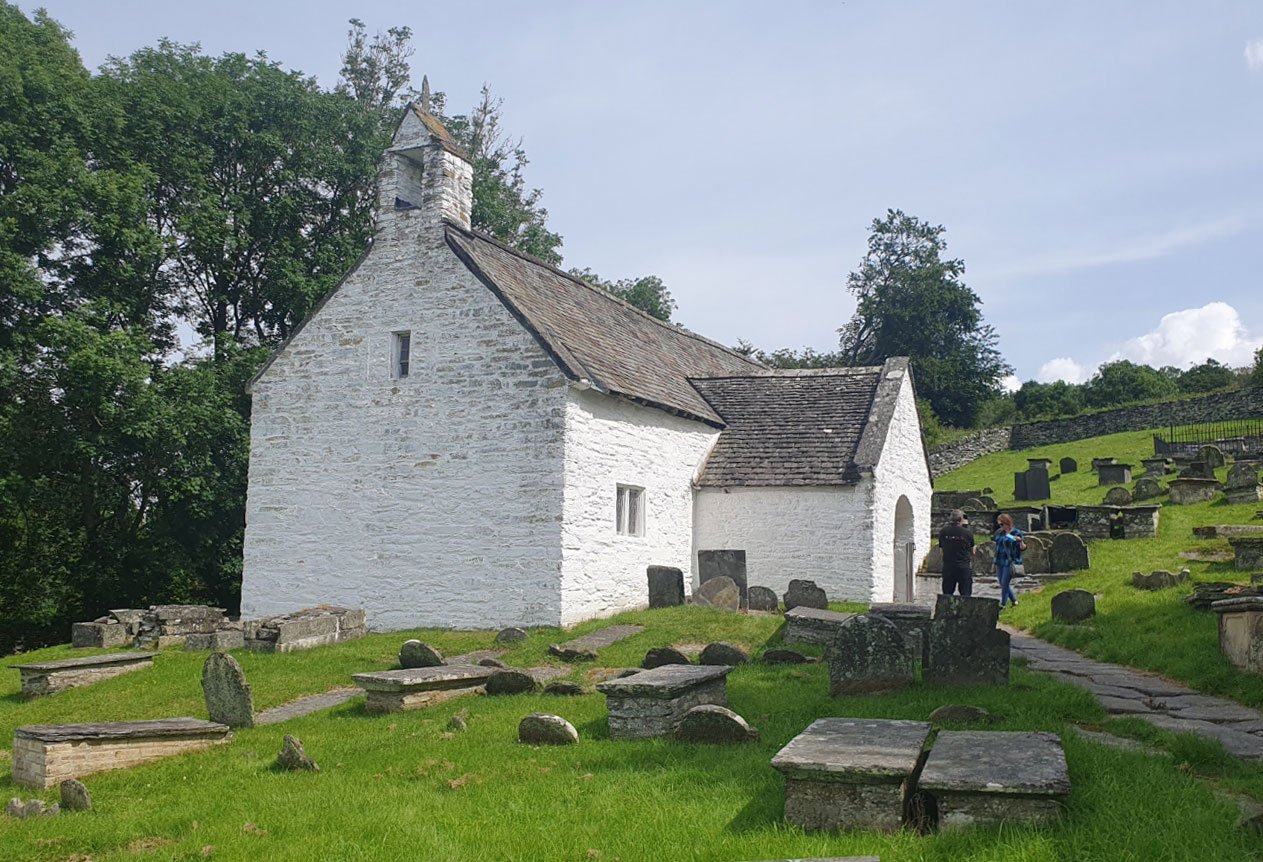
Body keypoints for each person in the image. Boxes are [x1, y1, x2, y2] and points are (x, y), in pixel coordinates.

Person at [937, 509, 975, 597]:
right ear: (961, 519)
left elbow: (941, 551)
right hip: (963, 566)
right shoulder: (967, 533)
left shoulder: (944, 531)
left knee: (947, 594)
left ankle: (946, 610)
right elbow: (972, 551)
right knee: (965, 595)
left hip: (948, 566)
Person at [992, 513, 1026, 609]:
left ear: (1007, 522)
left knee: (1005, 582)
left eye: (1002, 524)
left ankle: (1003, 604)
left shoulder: (1016, 532)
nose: (1001, 526)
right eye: (999, 525)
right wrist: (994, 563)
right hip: (1000, 560)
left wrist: (1020, 541)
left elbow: (1023, 548)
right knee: (1002, 583)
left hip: (1010, 561)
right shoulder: (999, 533)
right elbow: (997, 549)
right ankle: (1014, 601)